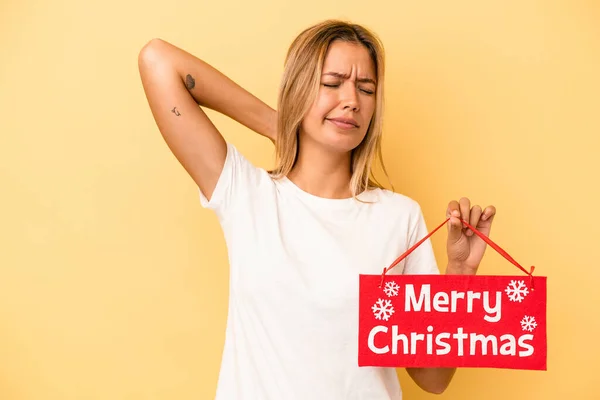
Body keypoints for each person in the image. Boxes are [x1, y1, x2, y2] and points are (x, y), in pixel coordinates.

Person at [138, 19, 496, 400]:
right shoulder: (247, 195)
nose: (352, 100)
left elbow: (433, 379)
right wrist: (280, 125)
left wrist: (460, 274)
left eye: (366, 88)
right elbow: (158, 61)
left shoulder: (398, 217)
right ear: (299, 89)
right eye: (331, 83)